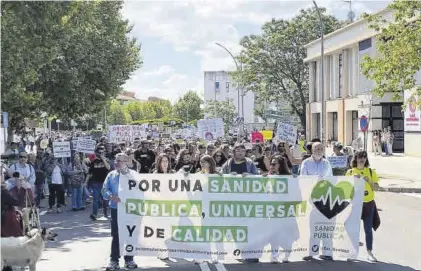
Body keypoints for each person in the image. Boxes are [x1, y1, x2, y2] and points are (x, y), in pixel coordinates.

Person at [102, 153, 138, 271]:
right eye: (116, 160)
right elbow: (104, 190)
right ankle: (114, 260)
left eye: (120, 161)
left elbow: (141, 190)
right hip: (116, 209)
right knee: (116, 235)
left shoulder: (133, 175)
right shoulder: (111, 175)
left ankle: (129, 259)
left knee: (129, 234)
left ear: (126, 162)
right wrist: (110, 196)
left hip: (130, 210)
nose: (116, 163)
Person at [346, 150, 380, 262]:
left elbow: (376, 188)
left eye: (364, 157)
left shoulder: (370, 172)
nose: (362, 159)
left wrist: (369, 181)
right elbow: (345, 190)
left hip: (368, 204)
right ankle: (352, 252)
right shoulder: (350, 172)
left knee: (368, 229)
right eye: (360, 157)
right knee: (353, 229)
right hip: (355, 205)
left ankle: (370, 252)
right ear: (355, 158)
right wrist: (352, 180)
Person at [89, 147, 111, 220]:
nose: (101, 154)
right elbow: (90, 173)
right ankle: (94, 214)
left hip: (104, 183)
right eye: (100, 152)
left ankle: (105, 213)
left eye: (102, 152)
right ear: (96, 153)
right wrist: (86, 182)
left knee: (104, 199)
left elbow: (108, 168)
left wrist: (103, 159)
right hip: (95, 183)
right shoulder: (93, 162)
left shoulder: (106, 160)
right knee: (95, 199)